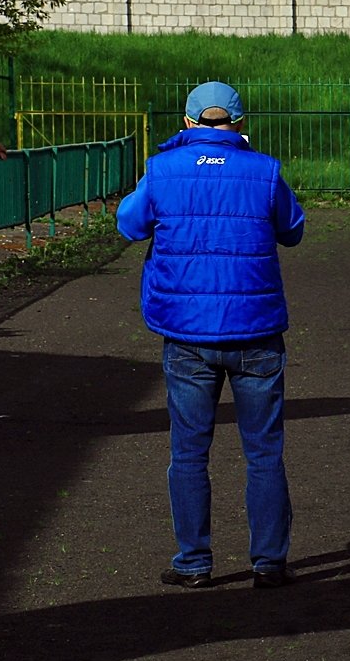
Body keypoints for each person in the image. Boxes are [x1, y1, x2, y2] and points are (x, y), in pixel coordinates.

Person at [116, 81, 306, 590]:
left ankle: (194, 562)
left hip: (186, 331)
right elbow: (292, 230)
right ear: (240, 123)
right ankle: (269, 563)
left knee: (188, 453)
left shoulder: (162, 170)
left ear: (187, 122)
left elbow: (129, 225)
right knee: (263, 453)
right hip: (255, 330)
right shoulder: (265, 170)